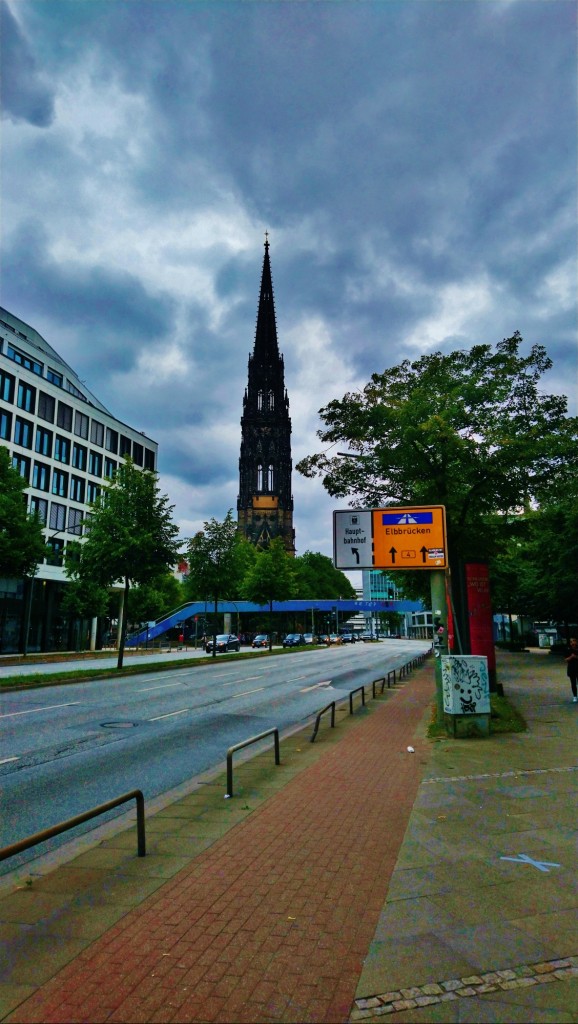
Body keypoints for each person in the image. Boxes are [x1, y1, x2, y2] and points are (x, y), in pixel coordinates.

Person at [564, 637, 578, 702]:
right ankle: (575, 696)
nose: (573, 643)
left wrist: (576, 657)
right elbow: (566, 659)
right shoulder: (568, 650)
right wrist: (571, 657)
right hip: (571, 669)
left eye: (574, 641)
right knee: (573, 683)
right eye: (571, 642)